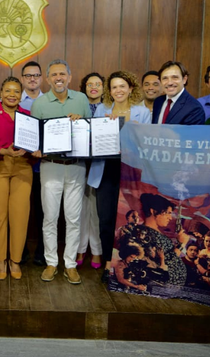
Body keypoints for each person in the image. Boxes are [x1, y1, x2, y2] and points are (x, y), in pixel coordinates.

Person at [31, 59, 91, 285]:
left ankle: (70, 264)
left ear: (69, 77)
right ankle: (51, 263)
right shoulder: (40, 103)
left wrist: (81, 122)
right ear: (48, 79)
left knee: (74, 218)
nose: (59, 78)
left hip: (76, 166)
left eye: (62, 74)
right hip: (50, 166)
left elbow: (90, 131)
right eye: (54, 75)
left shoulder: (81, 99)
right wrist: (36, 149)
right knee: (50, 217)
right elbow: (34, 137)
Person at [87, 71, 151, 282]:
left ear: (131, 88)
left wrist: (131, 128)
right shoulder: (102, 111)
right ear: (110, 91)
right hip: (106, 170)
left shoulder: (143, 112)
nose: (118, 90)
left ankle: (130, 264)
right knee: (106, 220)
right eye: (114, 87)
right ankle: (108, 262)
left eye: (122, 86)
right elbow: (93, 139)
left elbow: (147, 143)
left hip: (131, 173)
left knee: (129, 221)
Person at [0, 77, 34, 280]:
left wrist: (37, 149)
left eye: (16, 91)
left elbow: (33, 142)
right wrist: (3, 150)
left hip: (23, 167)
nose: (12, 95)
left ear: (21, 95)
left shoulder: (27, 116)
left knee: (20, 216)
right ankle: (0, 259)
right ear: (1, 93)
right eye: (8, 91)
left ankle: (15, 260)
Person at [19, 61, 46, 266]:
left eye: (36, 75)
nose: (32, 79)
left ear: (41, 78)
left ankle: (42, 251)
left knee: (43, 211)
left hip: (42, 166)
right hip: (20, 165)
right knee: (20, 211)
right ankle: (19, 250)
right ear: (22, 78)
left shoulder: (49, 102)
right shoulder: (13, 100)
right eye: (28, 75)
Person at [76, 72, 105, 270]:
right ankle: (80, 248)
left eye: (98, 84)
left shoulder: (109, 108)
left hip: (101, 164)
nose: (93, 87)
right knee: (79, 210)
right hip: (79, 162)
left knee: (96, 210)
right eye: (89, 84)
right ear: (84, 88)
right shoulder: (78, 105)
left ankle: (96, 250)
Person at [152, 61, 205, 125]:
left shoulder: (194, 109)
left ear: (184, 79)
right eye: (165, 78)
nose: (170, 83)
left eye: (174, 77)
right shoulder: (158, 101)